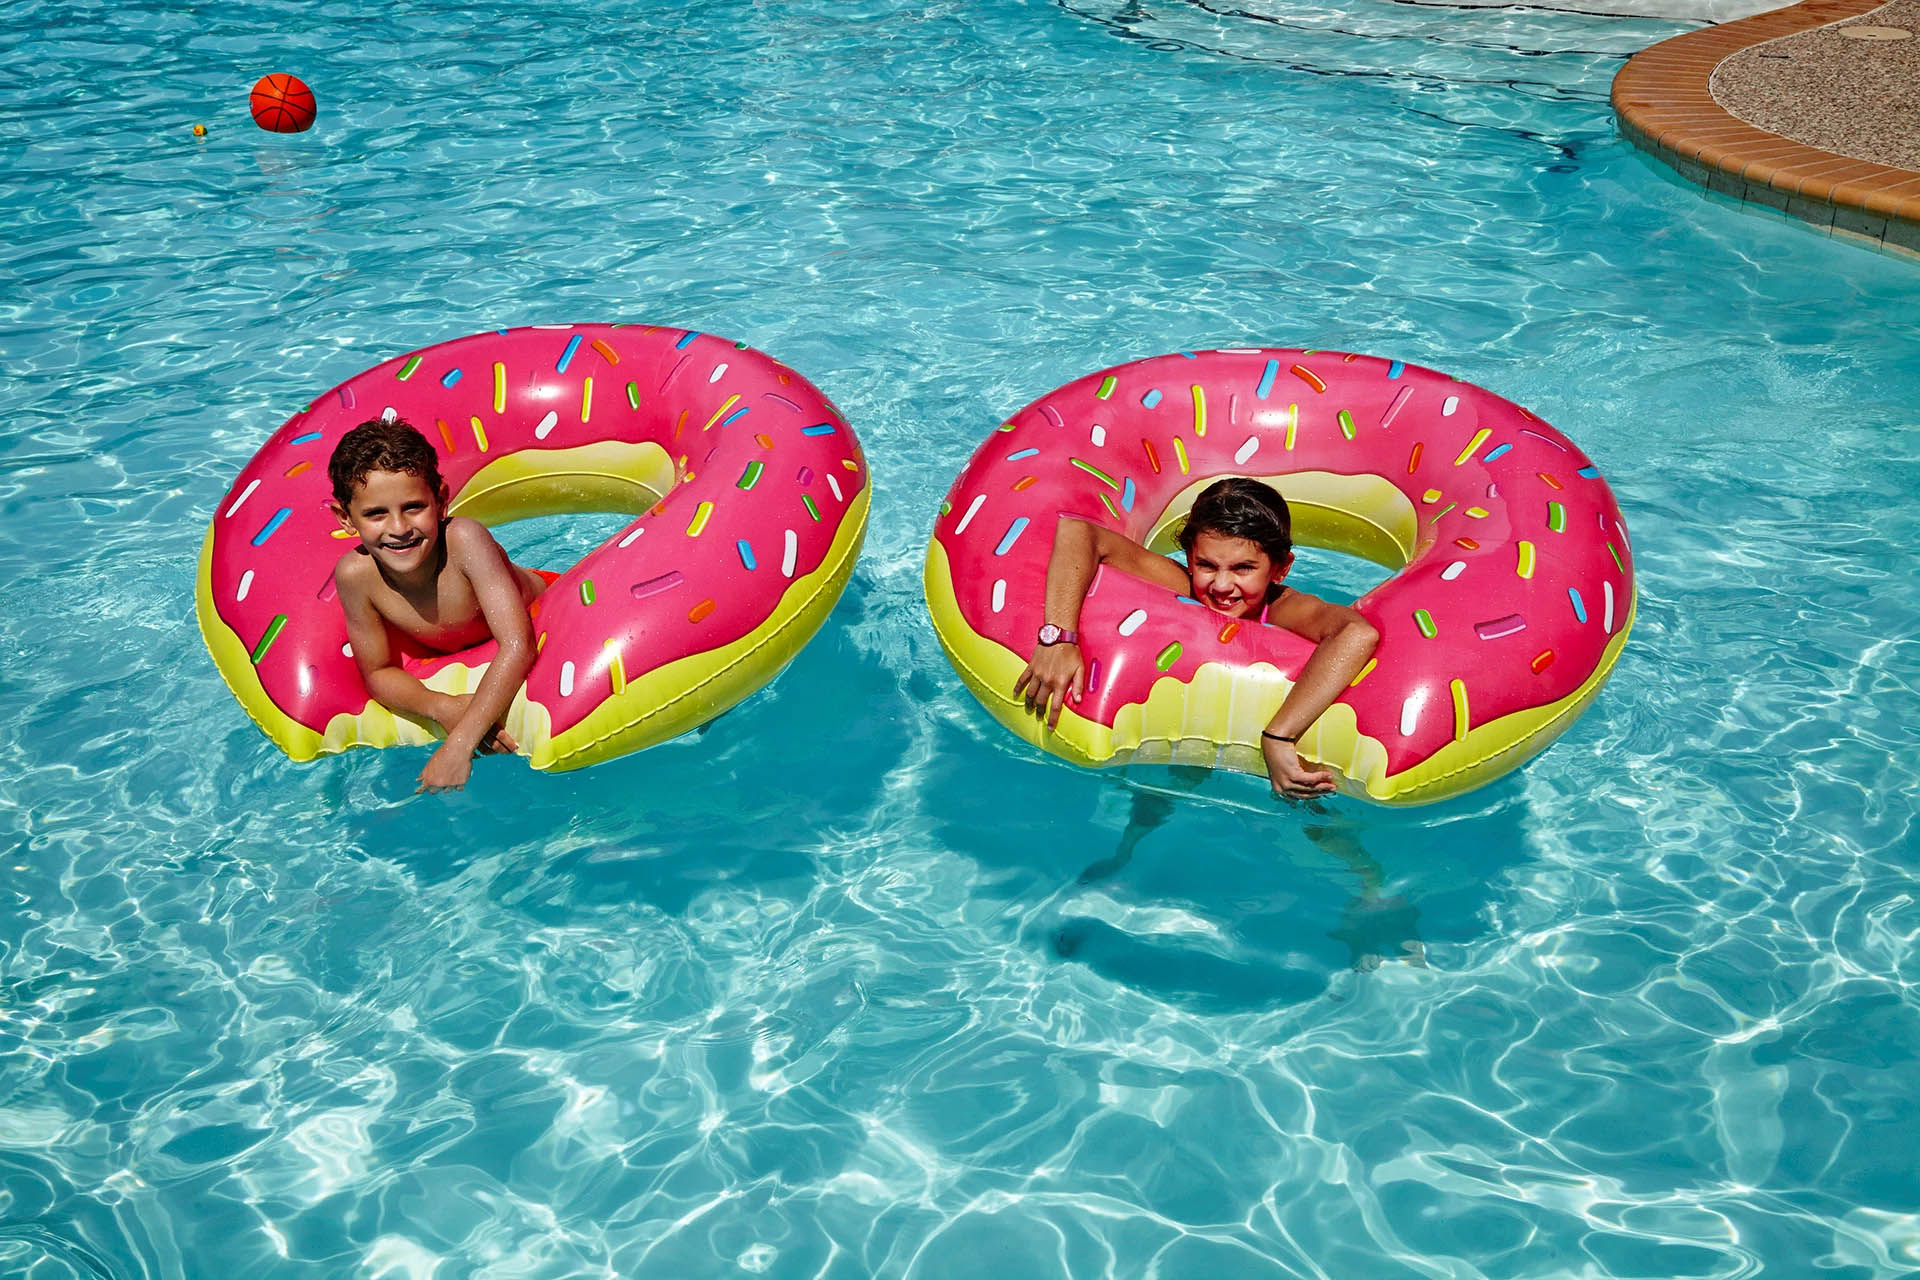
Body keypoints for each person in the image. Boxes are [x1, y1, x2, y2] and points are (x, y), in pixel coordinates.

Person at [1013, 477, 1379, 802]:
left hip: (1248, 755)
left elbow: (1356, 633)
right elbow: (1078, 532)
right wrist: (1058, 638)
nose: (1221, 585)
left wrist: (1279, 736)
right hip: (1173, 726)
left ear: (1280, 568)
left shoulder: (1283, 608)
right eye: (1206, 565)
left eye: (1243, 568)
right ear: (1189, 558)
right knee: (1153, 802)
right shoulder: (1184, 587)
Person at [326, 418, 548, 794]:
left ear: (441, 501)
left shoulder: (464, 541)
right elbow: (378, 671)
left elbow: (518, 645)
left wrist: (459, 745)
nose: (399, 528)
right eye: (376, 514)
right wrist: (440, 706)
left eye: (413, 507)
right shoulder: (355, 576)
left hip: (547, 608)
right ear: (346, 518)